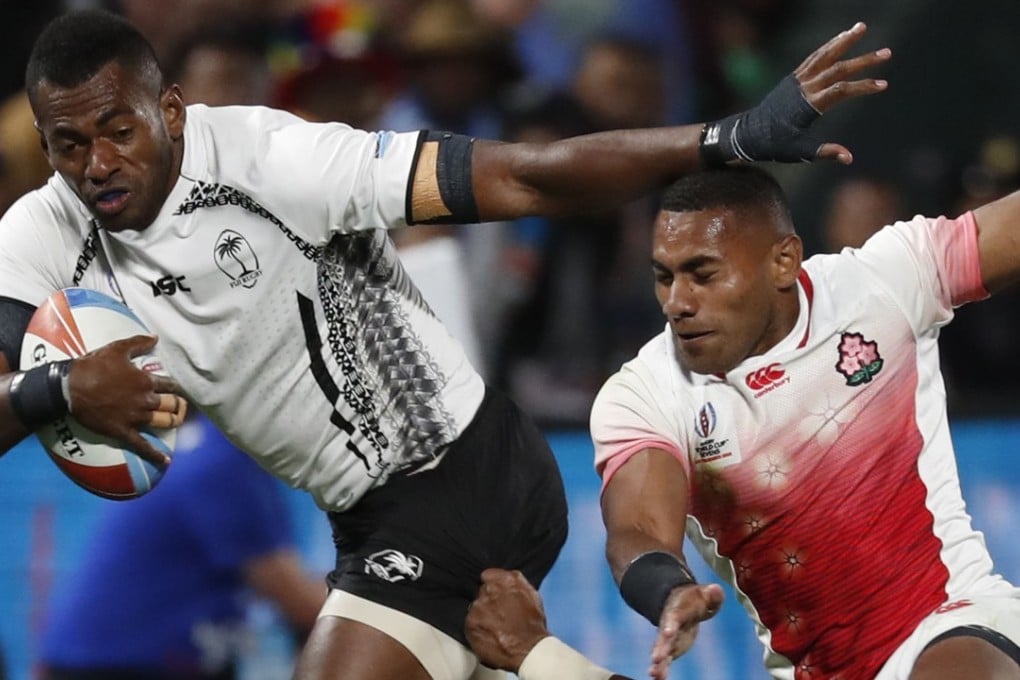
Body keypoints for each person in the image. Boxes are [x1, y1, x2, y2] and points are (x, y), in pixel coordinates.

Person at [0, 10, 888, 680]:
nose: (98, 165)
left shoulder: (271, 164)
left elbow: (525, 178)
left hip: (462, 475)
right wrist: (56, 392)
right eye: (70, 145)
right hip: (364, 521)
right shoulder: (40, 235)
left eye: (120, 131)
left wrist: (726, 139)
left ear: (171, 109)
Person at [585, 166, 1020, 679]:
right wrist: (668, 589)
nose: (677, 303)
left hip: (952, 617)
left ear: (783, 261)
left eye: (703, 275)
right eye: (665, 277)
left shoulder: (884, 281)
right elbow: (638, 527)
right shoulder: (645, 394)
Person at [37, 412, 327, 680]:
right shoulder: (221, 463)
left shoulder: (215, 449)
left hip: (123, 661)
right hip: (118, 668)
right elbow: (300, 603)